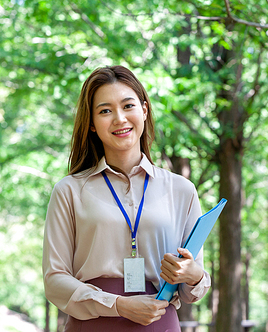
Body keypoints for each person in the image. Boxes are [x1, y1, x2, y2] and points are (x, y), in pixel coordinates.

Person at [42, 65, 211, 331]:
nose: (119, 118)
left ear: (144, 110)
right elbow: (54, 280)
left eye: (128, 106)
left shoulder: (182, 190)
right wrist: (118, 304)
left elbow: (193, 290)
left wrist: (194, 275)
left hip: (159, 322)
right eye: (105, 111)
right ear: (92, 125)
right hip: (93, 324)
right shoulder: (69, 190)